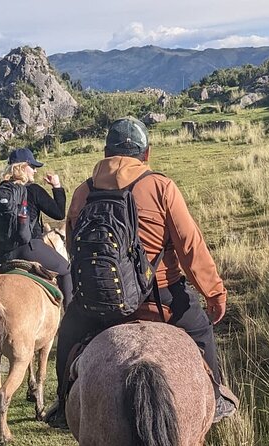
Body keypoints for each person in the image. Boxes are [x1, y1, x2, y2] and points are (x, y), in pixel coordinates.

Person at [45, 117, 237, 428]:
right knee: (201, 330)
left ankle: (64, 403)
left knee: (68, 332)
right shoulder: (161, 187)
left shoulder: (83, 192)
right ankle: (214, 397)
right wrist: (214, 293)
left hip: (100, 304)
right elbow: (190, 246)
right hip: (161, 296)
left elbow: (73, 245)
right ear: (145, 154)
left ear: (106, 152)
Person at [0, 148, 73, 305]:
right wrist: (57, 186)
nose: (35, 171)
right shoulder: (33, 190)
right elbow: (59, 214)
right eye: (33, 167)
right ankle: (70, 321)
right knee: (66, 270)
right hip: (28, 248)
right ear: (23, 166)